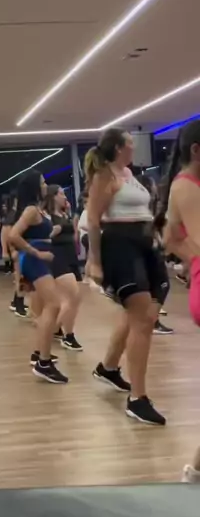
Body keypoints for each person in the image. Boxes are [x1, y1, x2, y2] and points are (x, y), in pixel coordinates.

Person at [86, 129, 165, 425]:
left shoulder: (129, 174)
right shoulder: (104, 175)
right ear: (119, 148)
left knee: (141, 315)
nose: (135, 146)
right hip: (120, 246)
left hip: (144, 245)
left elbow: (143, 212)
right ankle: (137, 399)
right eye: (131, 142)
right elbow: (93, 219)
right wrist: (94, 261)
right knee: (142, 319)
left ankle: (108, 367)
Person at [160, 119, 200, 480]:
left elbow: (171, 237)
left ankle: (196, 471)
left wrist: (192, 261)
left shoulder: (182, 185)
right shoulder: (187, 186)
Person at [9, 171, 68, 384]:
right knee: (54, 305)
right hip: (35, 260)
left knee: (48, 307)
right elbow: (13, 235)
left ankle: (40, 354)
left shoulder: (37, 210)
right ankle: (43, 362)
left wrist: (53, 232)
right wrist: (37, 253)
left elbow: (37, 234)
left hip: (39, 259)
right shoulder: (31, 210)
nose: (45, 186)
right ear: (34, 186)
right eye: (43, 183)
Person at [45, 185, 83, 351]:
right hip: (58, 256)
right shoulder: (47, 216)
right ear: (53, 196)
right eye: (61, 193)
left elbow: (72, 231)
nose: (64, 196)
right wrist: (57, 229)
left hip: (70, 256)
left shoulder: (64, 214)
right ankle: (60, 333)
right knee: (73, 296)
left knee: (71, 298)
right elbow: (45, 235)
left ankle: (62, 331)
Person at [136, 175, 173, 335]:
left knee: (154, 286)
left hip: (149, 249)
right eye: (153, 185)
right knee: (162, 284)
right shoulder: (143, 209)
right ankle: (151, 322)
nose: (156, 187)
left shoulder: (150, 207)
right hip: (147, 250)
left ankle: (150, 321)